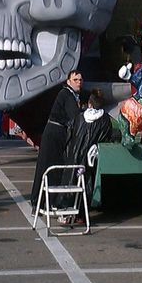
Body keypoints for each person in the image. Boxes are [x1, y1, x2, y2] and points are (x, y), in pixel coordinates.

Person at [30, 70, 84, 207]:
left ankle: (45, 200)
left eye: (80, 80)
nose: (79, 82)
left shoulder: (73, 95)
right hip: (54, 134)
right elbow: (74, 116)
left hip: (57, 133)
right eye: (75, 80)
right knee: (51, 167)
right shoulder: (66, 94)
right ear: (68, 82)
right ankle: (43, 201)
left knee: (51, 167)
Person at [56, 89, 113, 218]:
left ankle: (65, 209)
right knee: (87, 184)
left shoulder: (80, 117)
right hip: (90, 159)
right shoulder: (105, 119)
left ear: (89, 103)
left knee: (69, 181)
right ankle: (82, 214)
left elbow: (69, 134)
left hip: (74, 155)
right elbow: (107, 137)